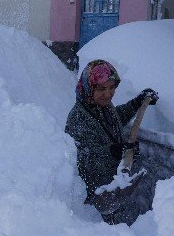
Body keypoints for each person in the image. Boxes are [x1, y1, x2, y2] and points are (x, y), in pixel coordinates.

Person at [65, 59, 158, 225]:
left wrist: (137, 102)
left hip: (113, 188)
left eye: (112, 87)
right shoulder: (79, 118)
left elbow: (115, 119)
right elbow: (85, 158)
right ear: (88, 87)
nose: (108, 93)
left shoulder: (102, 106)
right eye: (101, 88)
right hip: (96, 199)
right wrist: (115, 151)